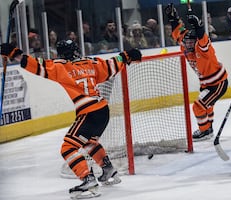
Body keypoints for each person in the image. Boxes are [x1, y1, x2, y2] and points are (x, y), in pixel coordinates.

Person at [0, 40, 142, 199]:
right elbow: (113, 63)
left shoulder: (60, 66)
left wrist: (14, 53)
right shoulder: (91, 62)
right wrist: (127, 55)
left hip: (89, 113)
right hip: (102, 110)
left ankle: (88, 181)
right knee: (88, 142)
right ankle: (108, 170)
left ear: (61, 54)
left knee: (67, 148)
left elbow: (36, 65)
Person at [165, 4, 228, 141]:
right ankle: (209, 127)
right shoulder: (185, 44)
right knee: (207, 106)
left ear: (195, 42)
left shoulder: (202, 49)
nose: (187, 45)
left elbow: (203, 39)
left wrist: (199, 26)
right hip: (206, 83)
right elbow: (178, 32)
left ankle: (204, 131)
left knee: (199, 107)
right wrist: (172, 17)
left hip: (217, 83)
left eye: (190, 43)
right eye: (185, 43)